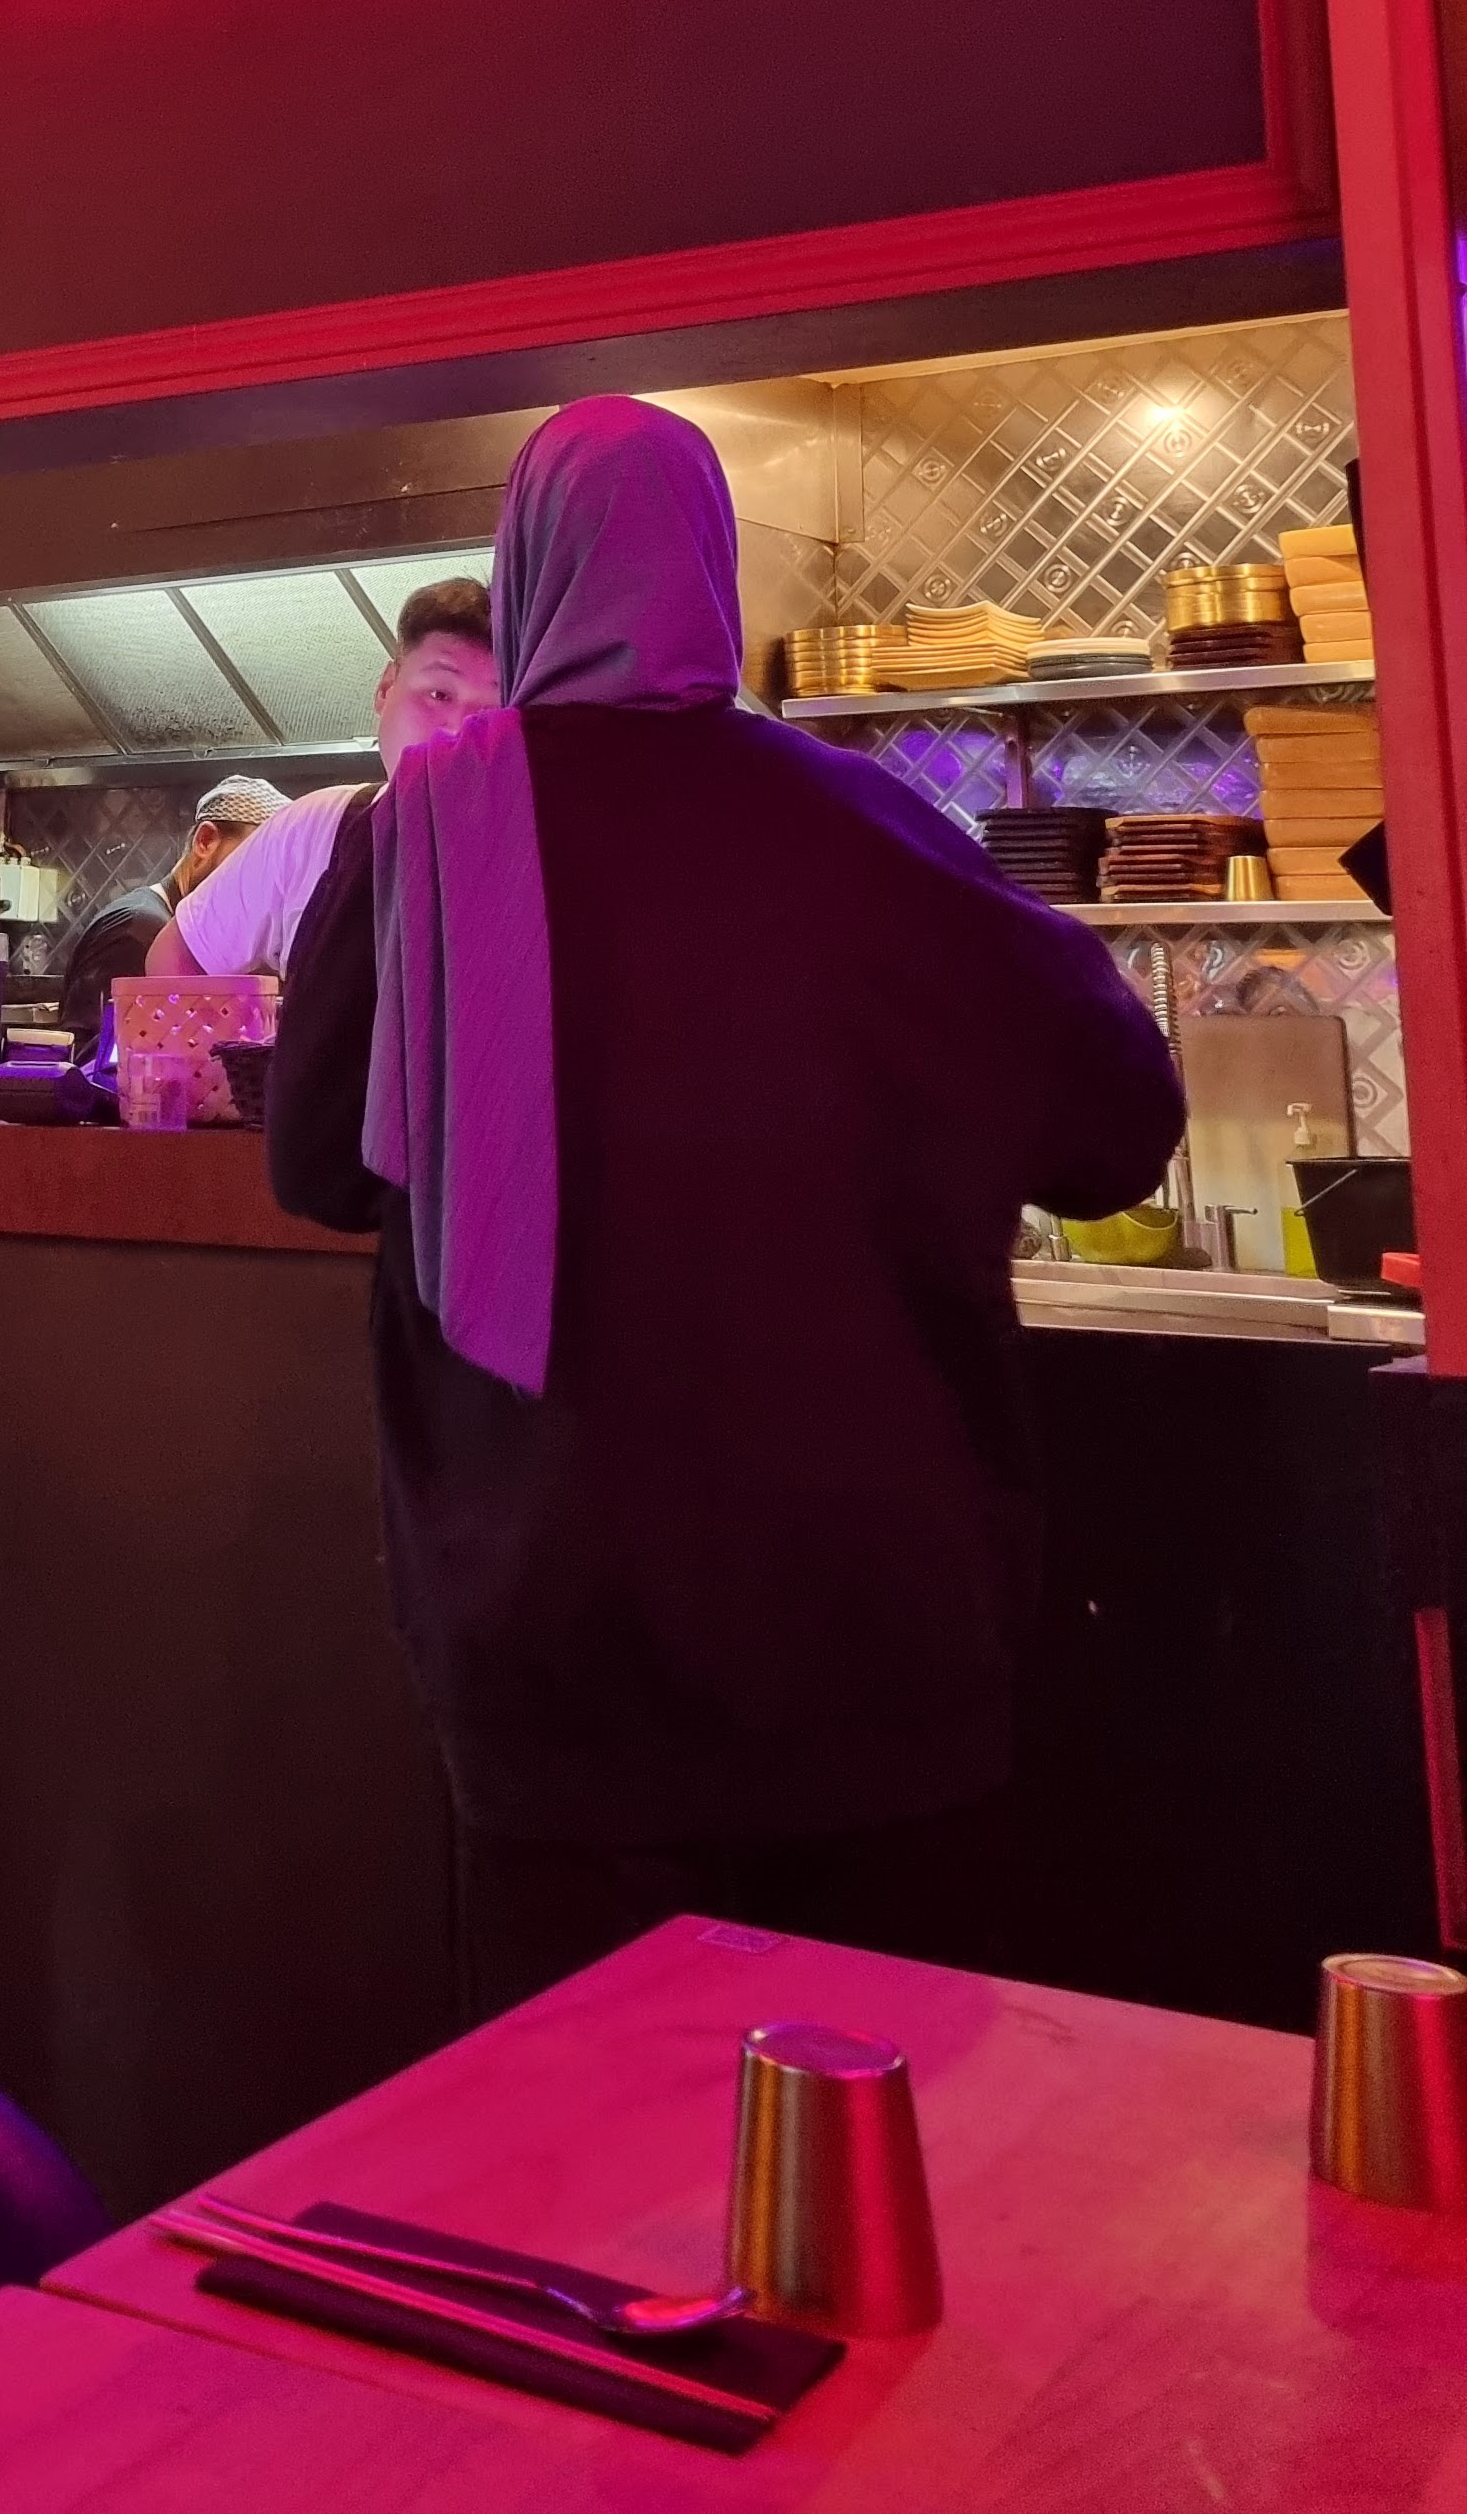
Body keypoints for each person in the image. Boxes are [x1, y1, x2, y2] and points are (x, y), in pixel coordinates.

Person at [266, 398, 1185, 2022]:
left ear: (523, 572)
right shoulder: (877, 828)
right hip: (872, 1625)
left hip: (552, 1627)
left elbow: (318, 1169)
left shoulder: (430, 830)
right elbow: (1118, 1133)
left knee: (588, 2130)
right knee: (874, 2123)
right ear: (715, 568)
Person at [146, 580, 498, 983]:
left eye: (491, 711)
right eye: (439, 694)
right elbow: (176, 958)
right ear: (386, 687)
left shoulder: (531, 848)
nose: (457, 730)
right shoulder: (316, 827)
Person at [58, 773, 289, 1054]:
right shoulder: (140, 928)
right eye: (251, 864)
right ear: (205, 841)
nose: (255, 888)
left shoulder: (174, 932)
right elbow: (95, 1059)